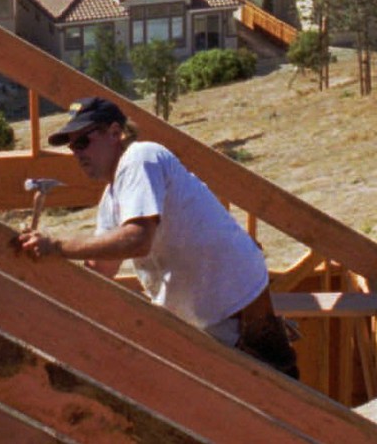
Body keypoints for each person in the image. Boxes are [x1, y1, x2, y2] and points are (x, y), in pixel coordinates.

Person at [16, 96, 299, 378]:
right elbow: (100, 269)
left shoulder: (140, 157)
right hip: (210, 317)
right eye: (72, 146)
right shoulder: (112, 198)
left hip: (237, 310)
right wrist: (41, 281)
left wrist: (56, 245)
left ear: (115, 133)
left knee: (284, 407)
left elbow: (137, 240)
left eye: (82, 142)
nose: (77, 153)